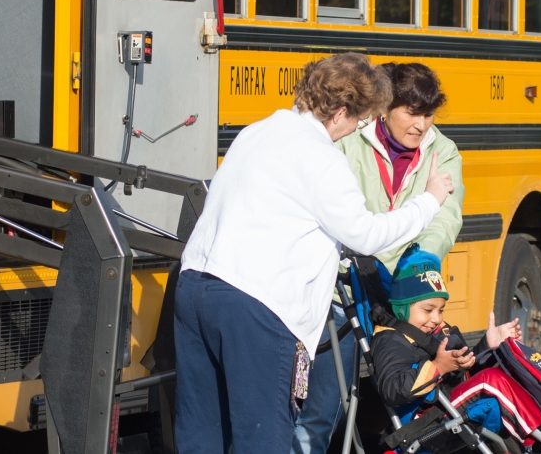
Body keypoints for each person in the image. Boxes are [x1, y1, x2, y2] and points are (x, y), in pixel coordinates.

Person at [175, 52, 457, 453]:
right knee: (262, 439)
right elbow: (366, 234)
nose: (356, 129)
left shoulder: (258, 131)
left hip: (196, 289)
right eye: (359, 119)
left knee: (203, 437)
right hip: (256, 307)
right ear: (341, 111)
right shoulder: (319, 155)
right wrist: (429, 200)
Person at [294, 61, 466, 454]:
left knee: (417, 399)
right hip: (341, 294)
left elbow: (445, 220)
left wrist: (414, 266)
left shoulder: (443, 151)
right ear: (385, 108)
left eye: (428, 114)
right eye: (411, 112)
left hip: (401, 300)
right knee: (322, 407)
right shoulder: (348, 140)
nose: (421, 125)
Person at [363, 247, 521, 435]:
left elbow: (465, 372)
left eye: (441, 310)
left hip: (449, 404)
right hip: (426, 419)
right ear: (403, 308)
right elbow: (393, 389)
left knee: (515, 372)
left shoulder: (438, 331)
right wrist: (438, 367)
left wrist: (488, 345)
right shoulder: (390, 338)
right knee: (493, 382)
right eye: (428, 310)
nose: (437, 318)